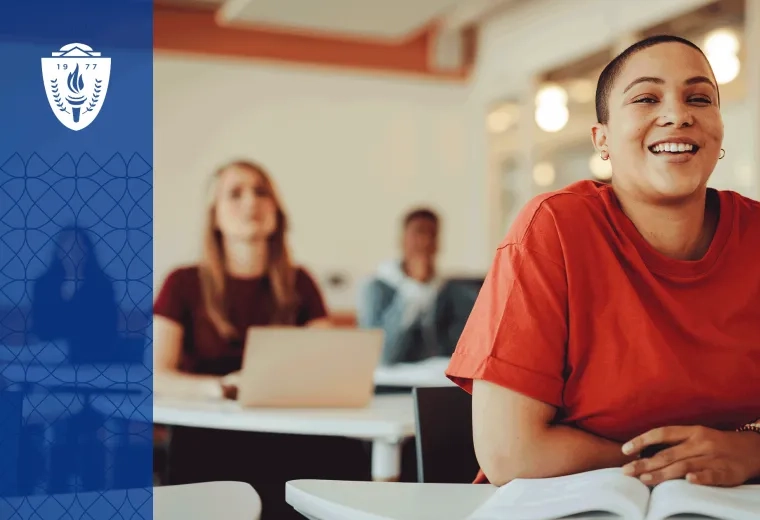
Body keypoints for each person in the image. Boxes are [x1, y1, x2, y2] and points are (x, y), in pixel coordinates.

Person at [445, 35, 760, 489]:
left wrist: (749, 452)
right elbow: (510, 452)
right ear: (603, 139)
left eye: (699, 98)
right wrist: (672, 466)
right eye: (647, 98)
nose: (678, 115)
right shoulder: (552, 228)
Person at [153, 160, 365, 520]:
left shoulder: (300, 283)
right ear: (214, 217)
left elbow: (329, 369)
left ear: (276, 210)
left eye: (261, 191)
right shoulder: (182, 283)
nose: (251, 201)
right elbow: (156, 374)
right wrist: (220, 387)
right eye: (235, 194)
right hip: (210, 437)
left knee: (345, 461)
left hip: (290, 434)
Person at [357, 207, 444, 364]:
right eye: (418, 233)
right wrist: (414, 288)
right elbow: (382, 356)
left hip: (435, 381)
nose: (425, 242)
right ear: (402, 240)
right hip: (390, 383)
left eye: (432, 234)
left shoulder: (448, 291)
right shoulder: (376, 288)